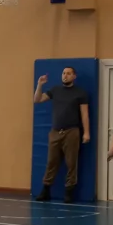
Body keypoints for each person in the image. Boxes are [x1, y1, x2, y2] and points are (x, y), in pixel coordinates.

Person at [33, 67, 90, 203]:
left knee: (71, 162)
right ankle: (46, 190)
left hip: (72, 131)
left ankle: (69, 191)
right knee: (52, 161)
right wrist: (40, 84)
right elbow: (37, 100)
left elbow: (84, 114)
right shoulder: (55, 90)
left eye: (69, 73)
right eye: (64, 73)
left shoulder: (80, 93)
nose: (65, 76)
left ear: (74, 76)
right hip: (55, 131)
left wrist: (86, 132)